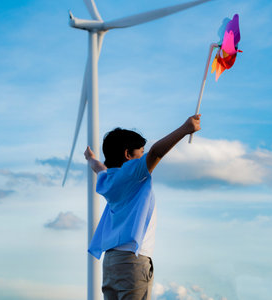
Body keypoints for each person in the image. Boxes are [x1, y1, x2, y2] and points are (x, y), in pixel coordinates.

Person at [84, 114, 201, 300]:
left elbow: (98, 167)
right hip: (132, 261)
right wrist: (184, 129)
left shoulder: (107, 179)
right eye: (140, 152)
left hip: (111, 261)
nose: (143, 156)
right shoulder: (133, 172)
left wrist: (90, 158)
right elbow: (156, 153)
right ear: (128, 155)